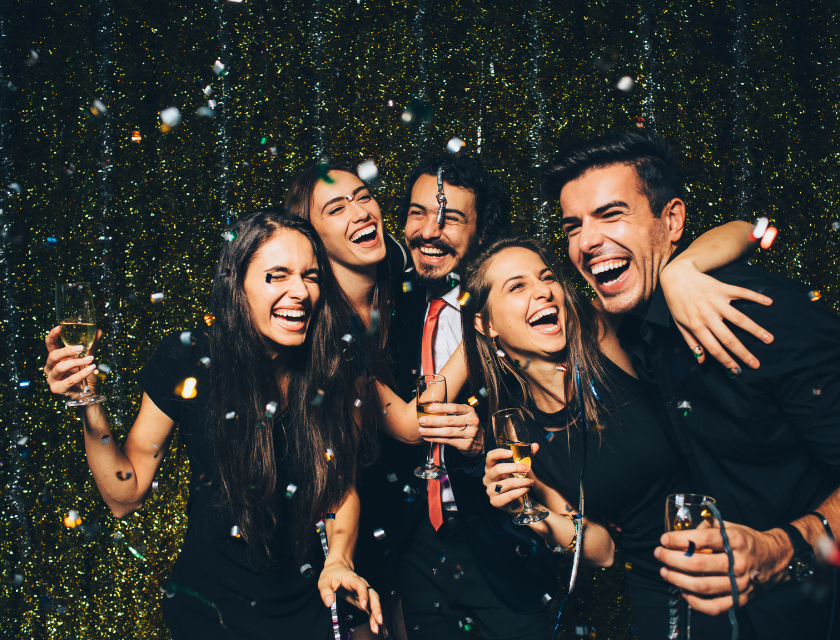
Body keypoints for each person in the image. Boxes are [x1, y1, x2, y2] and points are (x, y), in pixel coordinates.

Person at [546, 130, 840, 639]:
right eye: (573, 226)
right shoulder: (633, 329)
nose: (587, 241)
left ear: (673, 220)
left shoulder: (766, 319)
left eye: (612, 214)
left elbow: (755, 229)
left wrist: (781, 549)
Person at [44, 211, 383, 639]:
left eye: (310, 276)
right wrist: (88, 403)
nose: (299, 291)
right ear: (235, 285)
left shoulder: (337, 366)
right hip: (208, 616)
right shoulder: (185, 360)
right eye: (276, 276)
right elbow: (124, 494)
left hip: (306, 610)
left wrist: (339, 559)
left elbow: (340, 488)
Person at [467, 236, 739, 639]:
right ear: (486, 324)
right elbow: (603, 550)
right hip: (660, 587)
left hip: (741, 541)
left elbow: (745, 231)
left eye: (546, 278)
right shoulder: (515, 432)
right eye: (517, 286)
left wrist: (679, 272)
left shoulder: (599, 333)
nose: (543, 290)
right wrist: (533, 517)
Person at [285, 161, 482, 640]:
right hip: (337, 515)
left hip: (404, 522)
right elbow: (415, 425)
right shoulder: (323, 332)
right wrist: (484, 323)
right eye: (336, 208)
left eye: (363, 196)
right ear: (312, 237)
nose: (359, 211)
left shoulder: (400, 273)